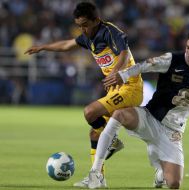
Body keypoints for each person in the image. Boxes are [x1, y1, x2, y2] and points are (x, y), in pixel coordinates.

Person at [24, 1, 143, 188]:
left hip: (130, 86)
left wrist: (116, 72)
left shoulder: (110, 31)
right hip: (115, 89)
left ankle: (112, 140)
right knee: (95, 134)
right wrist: (43, 47)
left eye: (85, 25)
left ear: (97, 20)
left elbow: (124, 54)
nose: (83, 29)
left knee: (89, 112)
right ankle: (98, 178)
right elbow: (67, 45)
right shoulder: (88, 36)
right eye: (79, 25)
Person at [86, 29, 189, 189]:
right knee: (119, 114)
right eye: (187, 47)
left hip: (173, 132)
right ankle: (96, 173)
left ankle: (161, 172)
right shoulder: (172, 59)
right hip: (149, 117)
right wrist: (124, 75)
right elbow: (144, 66)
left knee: (174, 184)